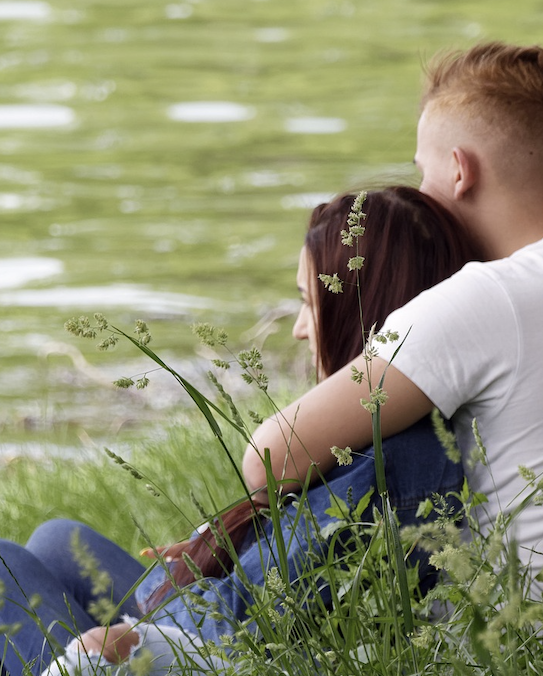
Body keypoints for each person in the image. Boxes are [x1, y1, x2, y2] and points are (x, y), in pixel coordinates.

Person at [0, 186, 482, 676]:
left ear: (359, 307)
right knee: (57, 540)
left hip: (211, 651)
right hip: (213, 630)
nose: (299, 328)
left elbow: (235, 633)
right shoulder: (394, 433)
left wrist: (127, 638)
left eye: (309, 303)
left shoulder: (386, 468)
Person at [242, 43, 543, 574]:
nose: (420, 193)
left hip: (507, 622)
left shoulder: (483, 298)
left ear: (458, 171)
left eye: (422, 172)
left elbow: (269, 460)